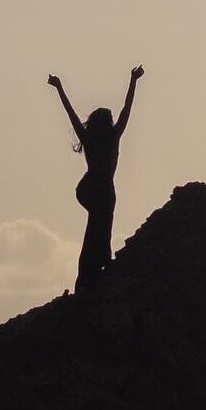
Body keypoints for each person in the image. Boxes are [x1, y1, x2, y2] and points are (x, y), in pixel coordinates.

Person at [48, 66, 143, 293]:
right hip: (103, 189)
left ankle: (92, 269)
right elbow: (127, 109)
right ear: (107, 123)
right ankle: (101, 264)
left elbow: (70, 112)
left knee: (95, 226)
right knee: (102, 225)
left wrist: (59, 87)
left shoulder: (89, 137)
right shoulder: (113, 136)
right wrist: (133, 80)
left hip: (87, 187)